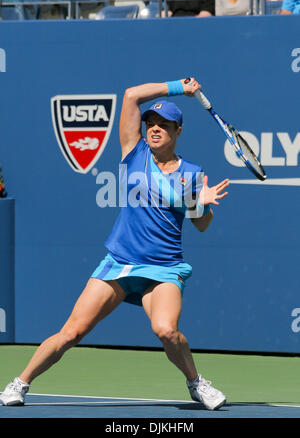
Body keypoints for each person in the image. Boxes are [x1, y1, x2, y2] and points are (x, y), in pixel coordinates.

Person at [0, 78, 229, 411]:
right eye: (151, 123)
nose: (154, 128)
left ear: (178, 131)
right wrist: (179, 87)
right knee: (72, 332)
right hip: (120, 262)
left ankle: (196, 383)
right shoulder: (133, 152)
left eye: (163, 125)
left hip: (164, 268)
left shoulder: (191, 173)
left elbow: (202, 225)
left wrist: (199, 202)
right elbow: (131, 95)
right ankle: (20, 382)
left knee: (166, 330)